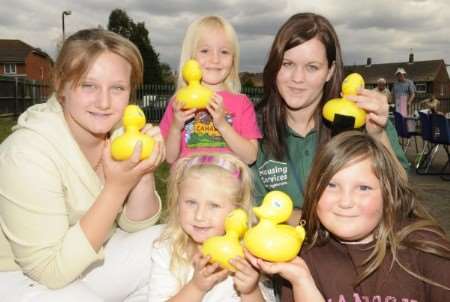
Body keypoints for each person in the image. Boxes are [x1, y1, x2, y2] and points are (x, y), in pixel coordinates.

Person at [0, 29, 165, 301]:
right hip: (18, 277)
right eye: (88, 85)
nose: (104, 102)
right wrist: (115, 188)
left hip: (84, 262)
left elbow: (136, 225)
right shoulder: (26, 154)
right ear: (61, 85)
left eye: (118, 88)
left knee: (173, 244)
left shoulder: (119, 133)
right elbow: (49, 271)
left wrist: (143, 171)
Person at [248, 131, 450, 302]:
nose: (345, 202)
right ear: (314, 191)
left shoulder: (425, 247)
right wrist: (302, 282)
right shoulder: (303, 255)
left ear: (389, 195)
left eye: (363, 188)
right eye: (331, 185)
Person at [252, 12, 409, 225]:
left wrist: (378, 135)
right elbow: (253, 206)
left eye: (312, 67)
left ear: (330, 71)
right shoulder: (252, 128)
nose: (297, 78)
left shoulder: (362, 120)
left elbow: (401, 197)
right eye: (287, 64)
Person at [148, 153, 275, 302]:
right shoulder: (169, 250)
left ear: (237, 210)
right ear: (177, 202)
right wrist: (196, 287)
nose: (199, 216)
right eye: (191, 202)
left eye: (214, 205)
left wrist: (250, 291)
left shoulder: (249, 255)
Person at [159, 15, 261, 165]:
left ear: (233, 59)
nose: (215, 59)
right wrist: (175, 127)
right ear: (190, 57)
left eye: (224, 52)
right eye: (205, 51)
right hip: (189, 186)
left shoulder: (242, 103)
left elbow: (251, 157)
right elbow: (169, 158)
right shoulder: (179, 103)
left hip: (229, 187)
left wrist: (222, 125)